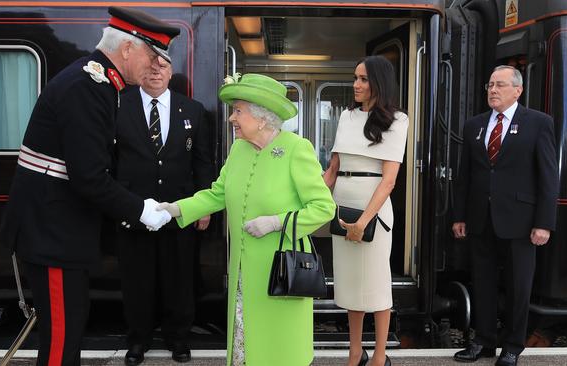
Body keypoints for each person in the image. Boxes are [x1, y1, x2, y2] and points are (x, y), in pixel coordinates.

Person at [0, 7, 180, 365]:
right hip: (54, 235)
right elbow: (89, 177)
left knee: (67, 332)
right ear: (127, 49)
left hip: (58, 232)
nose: (157, 66)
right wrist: (141, 209)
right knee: (60, 343)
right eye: (152, 55)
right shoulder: (89, 87)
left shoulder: (98, 83)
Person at [157, 73, 335, 366]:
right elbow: (217, 194)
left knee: (280, 349)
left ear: (263, 118)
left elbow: (323, 207)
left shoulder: (296, 149)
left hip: (281, 272)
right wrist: (174, 209)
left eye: (238, 111)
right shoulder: (238, 149)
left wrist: (276, 222)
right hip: (243, 272)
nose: (231, 119)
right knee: (245, 345)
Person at [452, 65, 558, 366]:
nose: (493, 90)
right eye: (490, 85)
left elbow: (548, 177)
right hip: (480, 218)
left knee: (518, 286)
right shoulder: (474, 125)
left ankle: (512, 346)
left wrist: (544, 223)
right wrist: (459, 216)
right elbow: (466, 176)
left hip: (522, 222)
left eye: (500, 85)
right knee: (482, 282)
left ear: (517, 90)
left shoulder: (539, 123)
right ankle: (483, 341)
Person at [114, 56, 213, 364]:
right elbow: (109, 160)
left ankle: (179, 338)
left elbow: (203, 161)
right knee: (137, 280)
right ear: (140, 71)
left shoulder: (193, 110)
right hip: (133, 210)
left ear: (172, 73)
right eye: (151, 66)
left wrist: (204, 207)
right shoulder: (119, 106)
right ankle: (138, 340)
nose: (156, 71)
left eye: (163, 67)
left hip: (180, 210)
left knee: (179, 278)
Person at [323, 56, 408, 366]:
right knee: (349, 285)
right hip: (343, 206)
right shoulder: (346, 118)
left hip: (373, 211)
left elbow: (389, 182)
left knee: (375, 285)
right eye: (355, 78)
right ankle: (355, 353)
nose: (356, 85)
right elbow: (332, 170)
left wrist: (362, 221)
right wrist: (314, 201)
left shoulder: (398, 120)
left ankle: (380, 357)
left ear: (378, 83)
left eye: (363, 79)